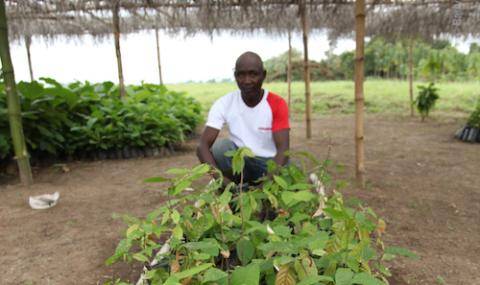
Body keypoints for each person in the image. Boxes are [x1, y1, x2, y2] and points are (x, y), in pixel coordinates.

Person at [196, 51, 290, 184]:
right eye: (241, 75)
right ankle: (237, 186)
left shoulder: (276, 103)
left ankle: (259, 186)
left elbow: (283, 150)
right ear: (235, 76)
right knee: (221, 148)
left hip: (269, 164)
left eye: (253, 74)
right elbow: (202, 146)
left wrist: (266, 186)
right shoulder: (225, 103)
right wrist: (221, 180)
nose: (247, 81)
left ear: (263, 75)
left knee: (292, 178)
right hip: (241, 165)